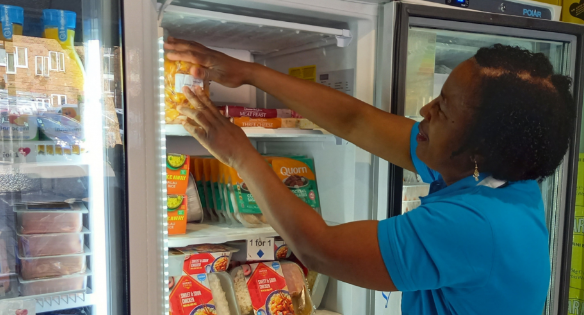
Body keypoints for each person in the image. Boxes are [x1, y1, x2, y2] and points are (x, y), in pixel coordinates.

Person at [164, 39, 576, 314]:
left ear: (480, 150)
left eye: (444, 108)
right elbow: (356, 121)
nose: (426, 110)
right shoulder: (493, 173)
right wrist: (247, 72)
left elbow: (319, 250)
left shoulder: (475, 226)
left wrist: (238, 152)